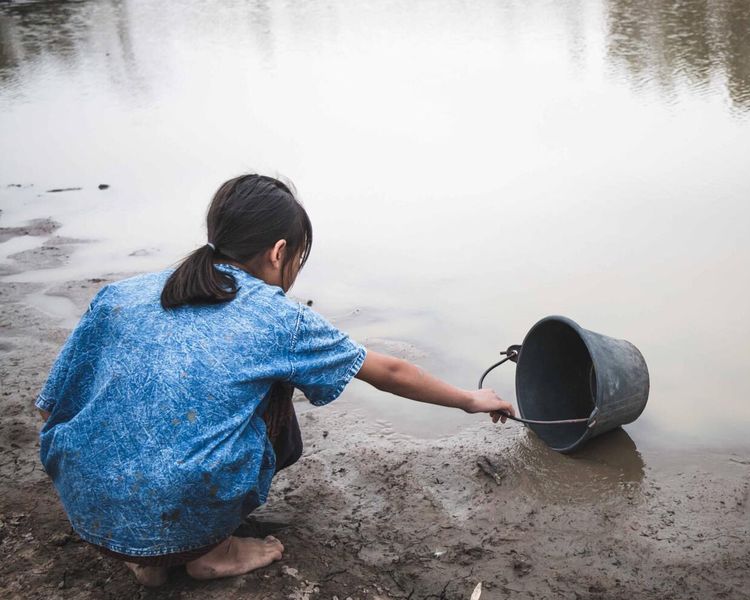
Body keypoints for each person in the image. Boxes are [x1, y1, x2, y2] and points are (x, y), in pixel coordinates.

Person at [34, 174, 515, 587]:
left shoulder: (122, 294)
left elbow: (51, 403)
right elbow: (388, 372)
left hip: (88, 508)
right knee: (278, 390)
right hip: (178, 507)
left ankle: (149, 560)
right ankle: (210, 551)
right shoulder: (276, 318)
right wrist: (468, 399)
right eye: (298, 258)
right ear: (279, 251)